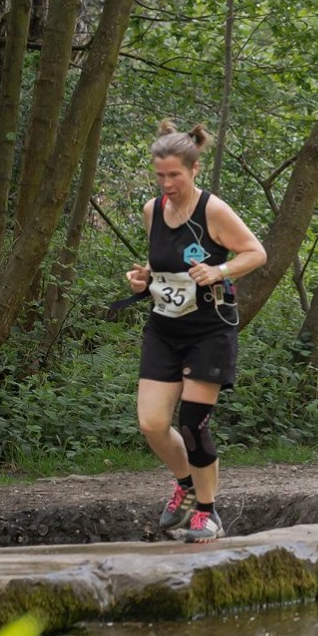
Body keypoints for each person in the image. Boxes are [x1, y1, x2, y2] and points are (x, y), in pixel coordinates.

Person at [124, 122, 268, 541]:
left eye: (175, 175)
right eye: (160, 175)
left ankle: (208, 512)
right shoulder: (153, 210)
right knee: (152, 424)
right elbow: (161, 264)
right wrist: (143, 278)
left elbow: (256, 252)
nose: (167, 184)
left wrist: (219, 270)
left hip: (209, 329)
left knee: (191, 422)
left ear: (194, 170)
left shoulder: (213, 211)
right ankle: (186, 483)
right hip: (164, 328)